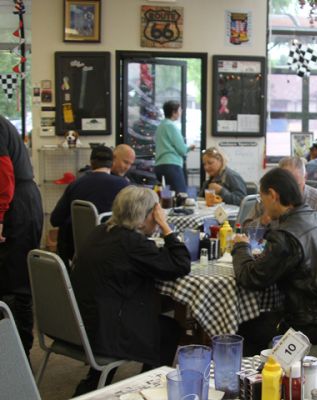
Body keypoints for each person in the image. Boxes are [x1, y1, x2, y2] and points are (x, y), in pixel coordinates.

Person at [71, 186, 191, 395]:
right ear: (144, 217)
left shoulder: (100, 231)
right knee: (170, 329)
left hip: (81, 321)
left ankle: (95, 380)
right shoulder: (133, 244)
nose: (156, 218)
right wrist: (166, 227)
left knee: (148, 310)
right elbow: (180, 265)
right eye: (155, 214)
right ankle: (150, 386)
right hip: (106, 331)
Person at [232, 168, 317, 356]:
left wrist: (241, 247)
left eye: (262, 198)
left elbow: (251, 278)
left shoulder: (286, 235)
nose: (263, 204)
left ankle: (260, 381)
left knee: (244, 329)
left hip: (311, 325)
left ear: (273, 195)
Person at [0, 115, 43, 359]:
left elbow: (3, 172)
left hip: (18, 207)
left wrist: (0, 216)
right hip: (18, 202)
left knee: (14, 285)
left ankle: (18, 358)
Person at [50, 145, 129, 267]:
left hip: (78, 251)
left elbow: (55, 220)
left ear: (91, 163)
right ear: (112, 163)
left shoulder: (75, 185)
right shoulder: (124, 186)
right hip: (112, 251)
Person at [243, 156, 317, 229]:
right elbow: (243, 230)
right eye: (284, 184)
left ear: (305, 177)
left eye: (296, 185)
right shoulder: (269, 198)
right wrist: (261, 221)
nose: (290, 190)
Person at [154, 100, 196, 194]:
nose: (181, 113)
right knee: (180, 195)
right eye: (180, 110)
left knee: (167, 197)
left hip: (160, 166)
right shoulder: (171, 126)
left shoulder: (161, 126)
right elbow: (181, 149)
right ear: (174, 112)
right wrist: (189, 148)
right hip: (172, 166)